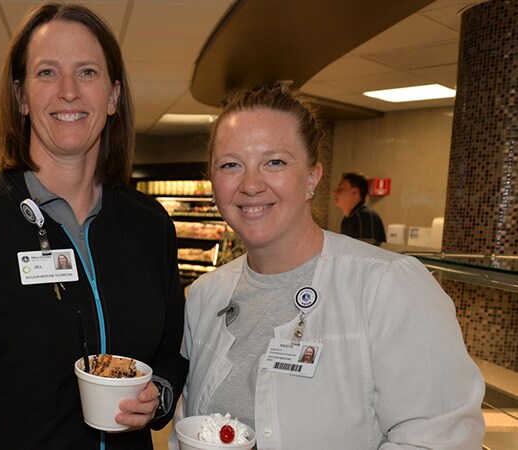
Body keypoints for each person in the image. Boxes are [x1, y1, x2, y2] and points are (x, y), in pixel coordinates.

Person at [0, 3, 188, 448]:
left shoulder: (150, 223)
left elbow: (170, 354)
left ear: (114, 95)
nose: (68, 92)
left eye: (87, 72)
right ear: (20, 96)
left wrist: (158, 396)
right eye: (46, 73)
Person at [178, 85, 484, 448]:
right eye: (231, 165)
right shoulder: (204, 297)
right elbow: (190, 429)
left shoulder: (388, 286)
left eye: (275, 162)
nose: (251, 184)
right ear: (212, 182)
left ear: (312, 177)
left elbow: (440, 437)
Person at [333, 172, 386, 245]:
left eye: (341, 189)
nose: (334, 193)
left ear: (355, 192)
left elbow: (367, 252)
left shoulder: (365, 216)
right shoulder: (348, 219)